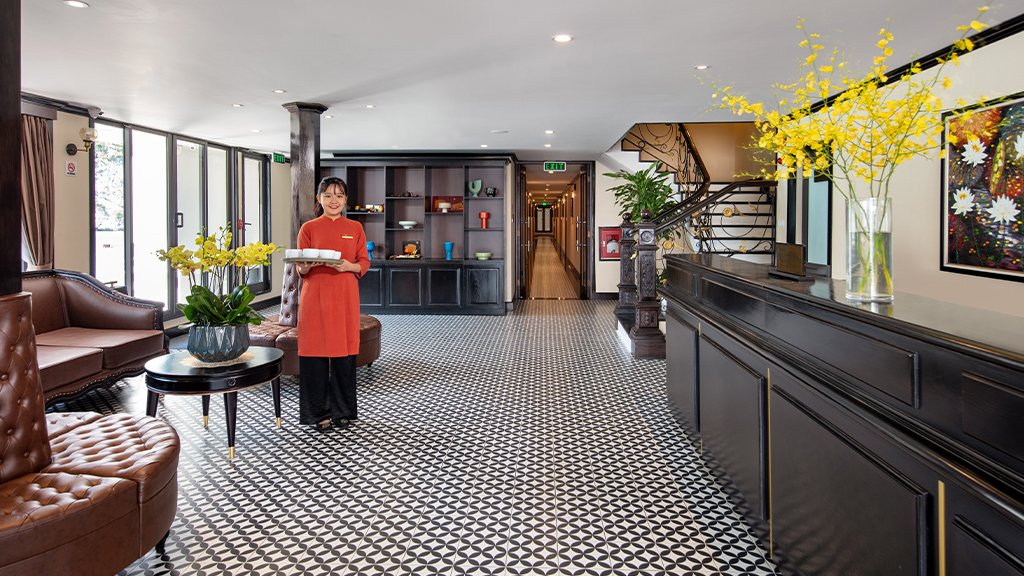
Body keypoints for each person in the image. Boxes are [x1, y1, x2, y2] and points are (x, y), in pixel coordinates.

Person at [295, 176, 370, 432]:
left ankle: (342, 412)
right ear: (319, 199)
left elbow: (364, 261)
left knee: (344, 354)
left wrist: (350, 266)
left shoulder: (355, 228)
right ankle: (319, 414)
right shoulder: (308, 228)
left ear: (346, 199)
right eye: (328, 195)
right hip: (314, 298)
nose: (333, 200)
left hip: (345, 298)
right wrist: (305, 266)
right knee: (314, 354)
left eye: (339, 195)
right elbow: (300, 267)